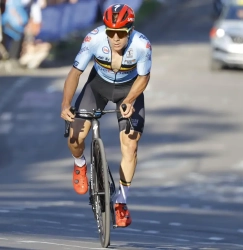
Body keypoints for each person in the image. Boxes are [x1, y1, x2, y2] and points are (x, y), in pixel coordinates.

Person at [60, 3, 152, 228]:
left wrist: (130, 100)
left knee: (130, 144)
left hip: (128, 89)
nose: (116, 38)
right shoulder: (93, 39)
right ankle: (80, 163)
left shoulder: (142, 45)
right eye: (111, 32)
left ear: (130, 31)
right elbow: (75, 73)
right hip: (97, 86)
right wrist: (65, 104)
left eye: (121, 33)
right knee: (75, 137)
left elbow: (143, 77)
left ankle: (121, 201)